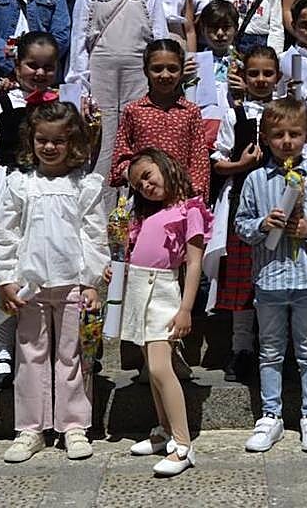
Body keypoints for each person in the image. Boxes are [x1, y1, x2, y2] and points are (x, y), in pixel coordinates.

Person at [0, 100, 109, 463]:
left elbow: (94, 234)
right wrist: (6, 279)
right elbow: (4, 234)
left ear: (72, 143)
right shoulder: (20, 184)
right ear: (31, 140)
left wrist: (90, 282)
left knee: (72, 355)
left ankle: (73, 425)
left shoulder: (84, 186)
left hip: (72, 282)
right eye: (42, 139)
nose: (50, 147)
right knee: (30, 355)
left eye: (58, 141)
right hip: (31, 287)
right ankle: (30, 428)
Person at [236, 97, 307, 453]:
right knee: (270, 349)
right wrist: (262, 225)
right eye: (278, 134)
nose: (286, 141)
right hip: (269, 278)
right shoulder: (255, 180)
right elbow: (240, 226)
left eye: (294, 134)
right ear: (265, 137)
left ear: (306, 136)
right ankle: (271, 415)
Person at [0, 31, 62, 389]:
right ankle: (2, 350)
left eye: (47, 67)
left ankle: (42, 346)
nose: (39, 73)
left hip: (47, 189)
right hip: (8, 189)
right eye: (32, 65)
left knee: (43, 268)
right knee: (4, 266)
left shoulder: (62, 104)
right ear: (17, 64)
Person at [123, 148, 212, 477]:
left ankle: (183, 443)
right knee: (150, 366)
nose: (144, 185)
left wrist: (186, 308)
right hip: (138, 291)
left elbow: (194, 263)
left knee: (162, 368)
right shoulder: (147, 215)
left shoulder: (189, 209)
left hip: (162, 292)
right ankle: (162, 431)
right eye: (137, 184)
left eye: (147, 175)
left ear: (165, 167)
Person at [66, 0, 168, 177]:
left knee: (139, 144)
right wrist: (81, 91)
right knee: (101, 147)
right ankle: (98, 211)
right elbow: (78, 46)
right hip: (101, 81)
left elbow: (160, 44)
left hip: (139, 80)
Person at [208, 45, 280, 382]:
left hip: (278, 208)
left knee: (274, 283)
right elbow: (218, 162)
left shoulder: (284, 112)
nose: (261, 79)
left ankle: (273, 350)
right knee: (241, 287)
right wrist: (243, 164)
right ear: (243, 77)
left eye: (268, 73)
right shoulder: (234, 115)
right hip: (241, 207)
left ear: (277, 77)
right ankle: (241, 350)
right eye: (254, 73)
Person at [110, 39, 210, 201]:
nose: (165, 75)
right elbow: (121, 157)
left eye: (172, 69)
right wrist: (140, 180)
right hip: (143, 199)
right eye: (157, 69)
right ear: (145, 71)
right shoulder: (134, 111)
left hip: (180, 199)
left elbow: (199, 160)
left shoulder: (190, 112)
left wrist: (194, 196)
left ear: (181, 71)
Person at [192, 0, 238, 143]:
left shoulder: (242, 64)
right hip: (204, 128)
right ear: (203, 30)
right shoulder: (194, 64)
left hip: (232, 128)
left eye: (226, 27)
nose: (219, 33)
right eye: (213, 28)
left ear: (236, 28)